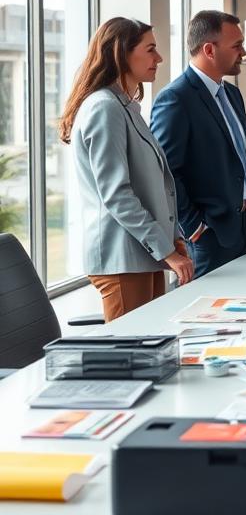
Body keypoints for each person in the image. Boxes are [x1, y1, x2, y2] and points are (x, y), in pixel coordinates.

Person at [59, 18, 194, 321]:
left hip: (142, 256)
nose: (158, 58)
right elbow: (117, 194)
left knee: (152, 349)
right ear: (121, 53)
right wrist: (166, 249)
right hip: (122, 259)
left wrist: (170, 241)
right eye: (150, 50)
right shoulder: (104, 108)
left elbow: (152, 186)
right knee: (130, 356)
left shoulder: (125, 107)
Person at [151, 11, 246, 277]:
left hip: (245, 226)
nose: (243, 52)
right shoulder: (176, 99)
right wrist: (194, 227)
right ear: (209, 49)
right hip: (209, 236)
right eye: (237, 46)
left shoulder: (232, 93)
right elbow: (166, 172)